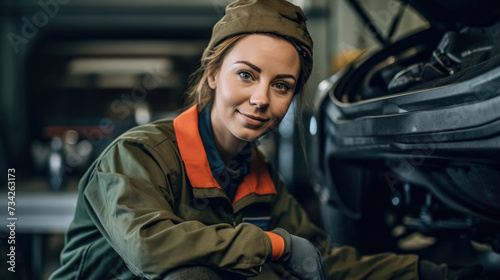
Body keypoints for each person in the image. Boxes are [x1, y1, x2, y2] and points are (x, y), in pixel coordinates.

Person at [49, 0, 483, 279]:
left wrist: (431, 274)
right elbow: (150, 249)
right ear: (214, 74)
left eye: (282, 85)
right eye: (246, 75)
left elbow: (320, 261)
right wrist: (272, 243)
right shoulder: (137, 155)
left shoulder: (258, 175)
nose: (261, 99)